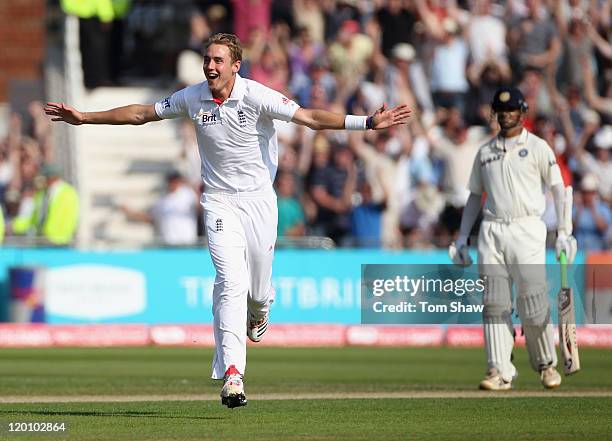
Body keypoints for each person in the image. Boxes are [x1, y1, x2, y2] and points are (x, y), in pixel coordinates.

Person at [44, 32, 411, 408]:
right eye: (207, 59)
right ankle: (233, 374)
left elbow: (310, 118)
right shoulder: (191, 96)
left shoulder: (256, 95)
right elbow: (142, 114)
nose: (210, 66)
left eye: (218, 60)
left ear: (236, 65)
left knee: (256, 291)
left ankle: (261, 307)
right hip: (218, 203)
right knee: (229, 282)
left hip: (258, 202)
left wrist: (365, 122)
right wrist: (84, 117)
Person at [449, 86, 576, 391]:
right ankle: (499, 370)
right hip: (492, 230)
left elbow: (560, 190)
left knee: (532, 301)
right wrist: (463, 237)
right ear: (495, 114)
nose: (506, 116)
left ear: (522, 112)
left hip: (527, 229)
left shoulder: (538, 147)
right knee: (494, 303)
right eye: (501, 111)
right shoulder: (486, 151)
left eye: (512, 110)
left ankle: (546, 364)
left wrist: (564, 232)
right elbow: (475, 197)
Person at [120, 171, 199, 246]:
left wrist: (192, 185)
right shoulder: (161, 200)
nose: (173, 184)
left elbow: (200, 207)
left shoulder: (187, 194)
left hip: (187, 242)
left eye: (176, 181)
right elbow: (150, 217)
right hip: (168, 243)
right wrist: (130, 212)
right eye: (171, 181)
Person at [11, 165, 79, 246]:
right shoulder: (41, 194)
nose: (40, 180)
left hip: (60, 243)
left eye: (43, 178)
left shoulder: (68, 193)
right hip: (42, 241)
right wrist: (16, 226)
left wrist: (59, 237)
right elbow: (33, 219)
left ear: (52, 178)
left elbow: (70, 218)